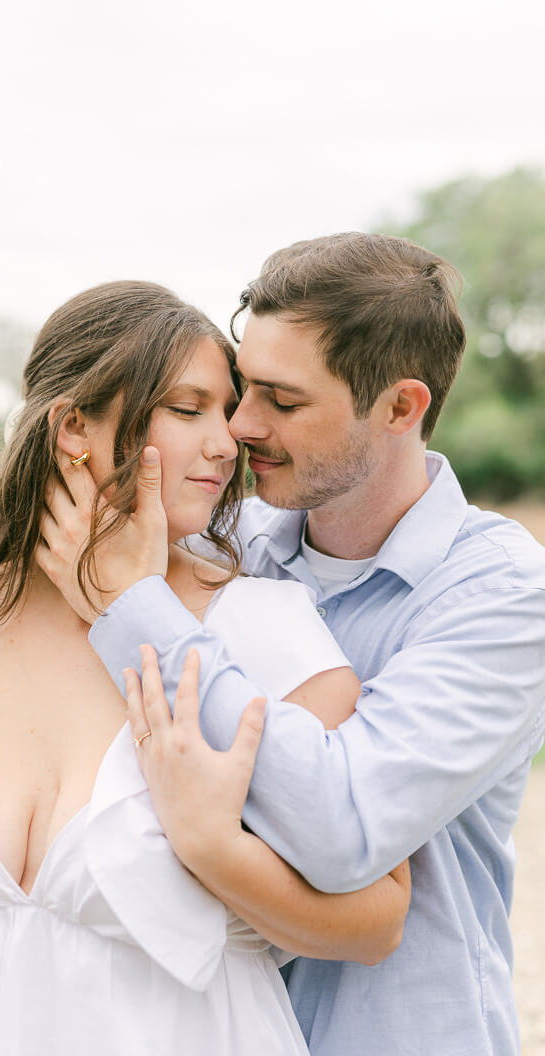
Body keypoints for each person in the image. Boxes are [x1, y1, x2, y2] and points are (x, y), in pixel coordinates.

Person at [0, 281, 410, 1056]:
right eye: (188, 408)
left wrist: (211, 847)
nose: (228, 443)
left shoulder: (267, 634)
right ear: (74, 428)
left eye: (224, 413)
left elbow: (374, 923)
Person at [36, 234, 545, 1056]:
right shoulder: (222, 548)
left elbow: (344, 825)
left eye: (282, 399)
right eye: (242, 388)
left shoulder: (504, 595)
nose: (239, 426)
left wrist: (134, 612)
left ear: (400, 408)